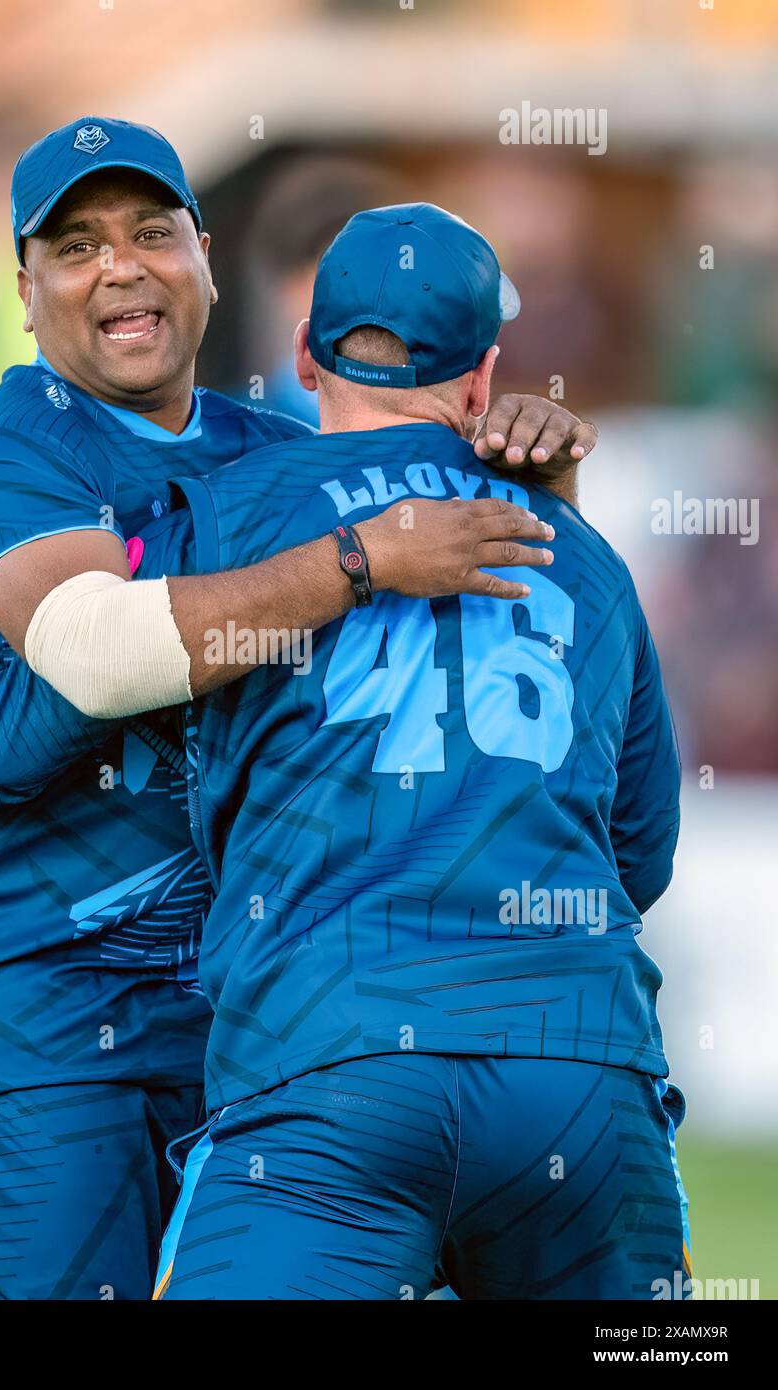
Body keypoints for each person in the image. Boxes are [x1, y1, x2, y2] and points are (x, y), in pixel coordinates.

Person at [0, 117, 595, 1301]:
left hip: (232, 1004)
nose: (120, 266)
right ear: (27, 288)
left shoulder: (275, 450)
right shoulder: (11, 449)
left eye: (151, 232)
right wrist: (361, 555)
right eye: (76, 245)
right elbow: (96, 657)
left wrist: (537, 487)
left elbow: (440, 674)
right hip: (26, 1007)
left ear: (203, 253)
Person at [129, 204, 688, 1300]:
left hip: (329, 1067)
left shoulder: (222, 517)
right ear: (481, 378)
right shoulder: (583, 555)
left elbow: (102, 699)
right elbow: (639, 852)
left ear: (301, 354)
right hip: (580, 1075)